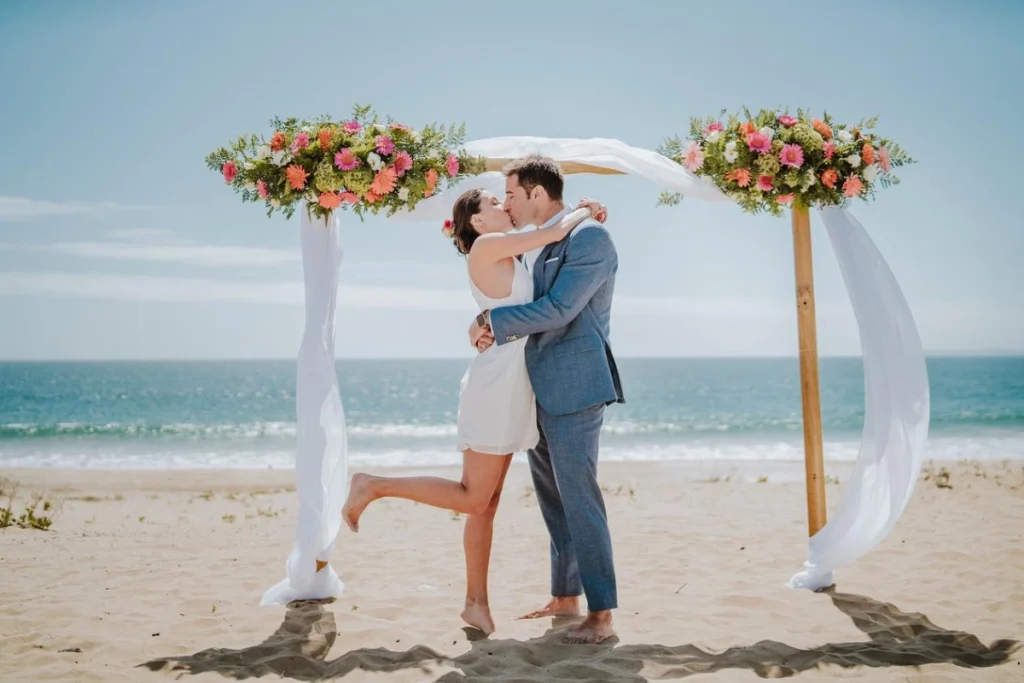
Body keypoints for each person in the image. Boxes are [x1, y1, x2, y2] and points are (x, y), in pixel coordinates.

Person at [341, 184, 607, 636]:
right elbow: (552, 231)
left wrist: (481, 322)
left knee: (486, 504)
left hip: (511, 385)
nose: (504, 205)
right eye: (494, 202)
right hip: (495, 387)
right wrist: (585, 209)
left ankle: (476, 605)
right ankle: (373, 485)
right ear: (479, 222)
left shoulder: (508, 253)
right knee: (474, 497)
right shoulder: (488, 245)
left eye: (506, 198)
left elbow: (510, 299)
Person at [470, 155, 624, 645]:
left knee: (581, 499)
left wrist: (494, 326)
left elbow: (559, 310)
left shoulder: (590, 238)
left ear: (537, 193)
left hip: (575, 385)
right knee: (553, 501)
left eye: (511, 195)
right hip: (535, 386)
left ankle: (601, 614)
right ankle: (564, 597)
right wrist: (483, 321)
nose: (508, 204)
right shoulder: (539, 242)